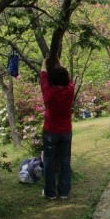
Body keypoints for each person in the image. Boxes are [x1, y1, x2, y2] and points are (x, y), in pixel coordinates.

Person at [40, 57, 74, 200]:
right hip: (66, 130)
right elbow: (68, 77)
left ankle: (50, 192)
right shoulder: (70, 89)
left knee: (49, 162)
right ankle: (64, 192)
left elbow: (43, 76)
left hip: (50, 131)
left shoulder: (49, 92)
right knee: (65, 161)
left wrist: (44, 62)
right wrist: (59, 62)